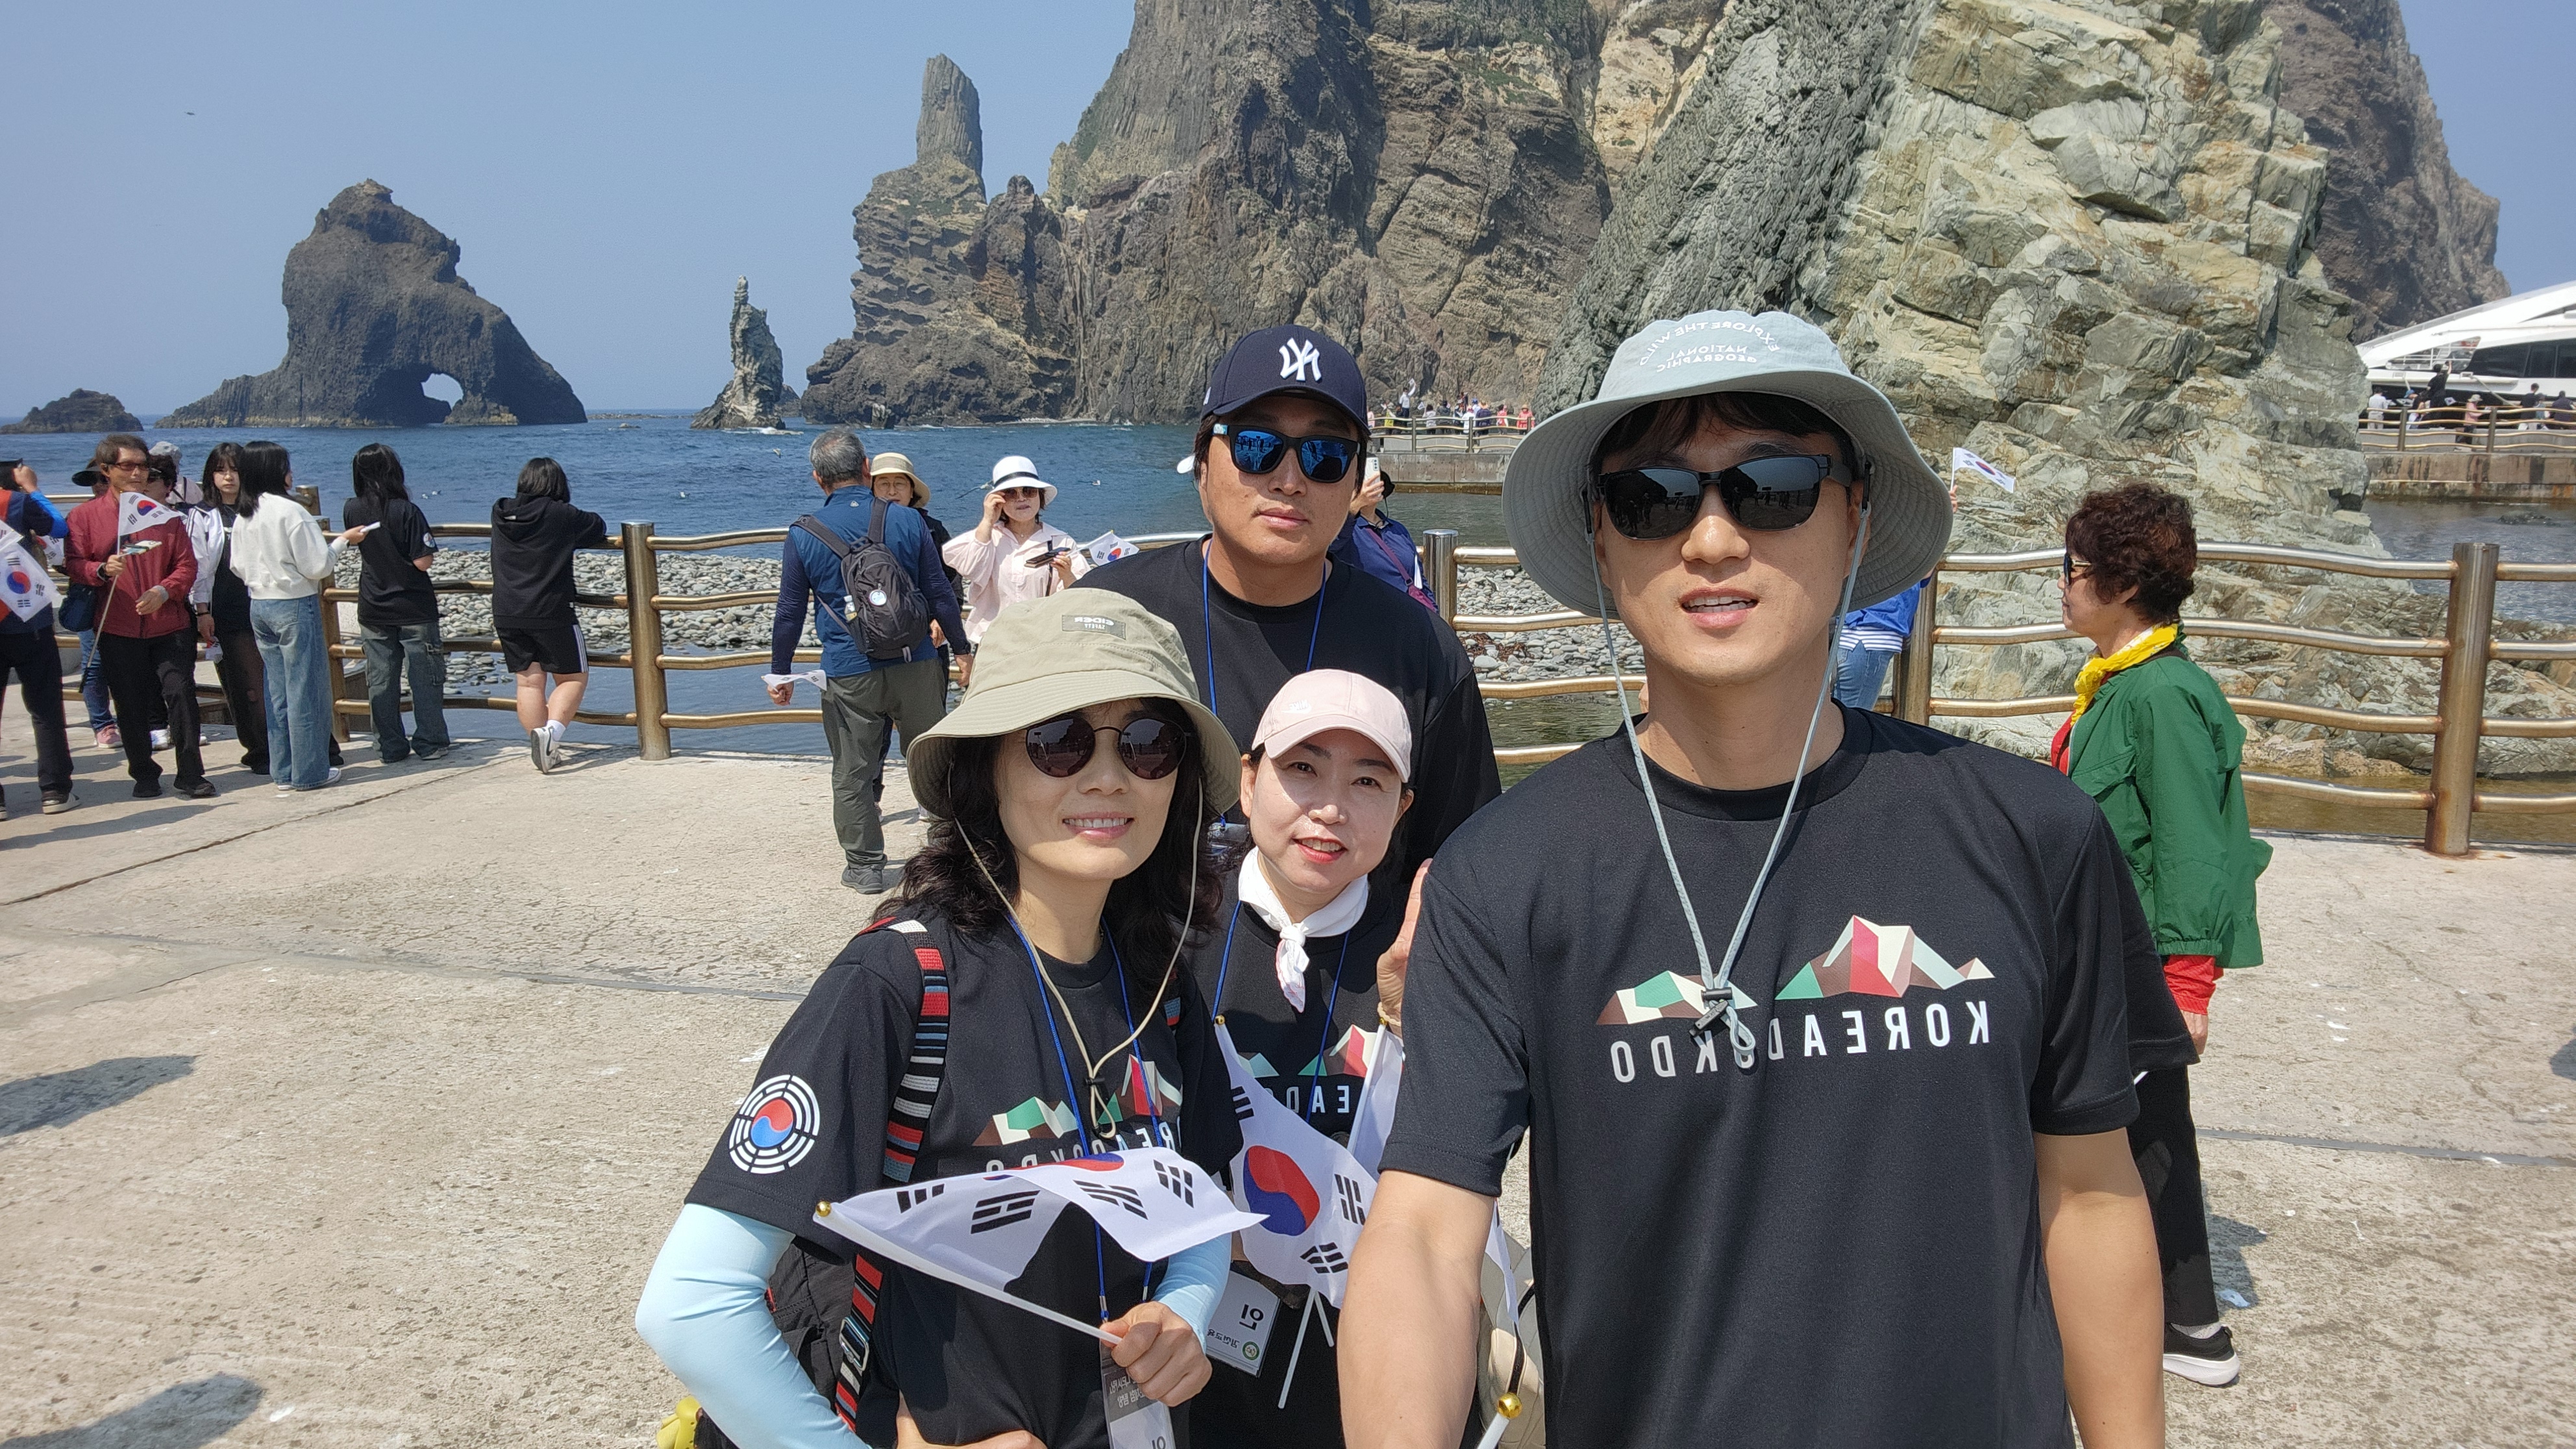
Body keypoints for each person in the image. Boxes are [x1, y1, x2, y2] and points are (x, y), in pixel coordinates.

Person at [1341, 310, 2168, 1449]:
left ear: (1854, 515)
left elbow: (2088, 1189)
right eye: (1652, 498)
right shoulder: (1502, 877)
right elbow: (1426, 1233)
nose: (1714, 538)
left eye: (1773, 487)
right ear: (1600, 538)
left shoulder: (2036, 835)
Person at [638, 589, 1244, 1449]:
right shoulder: (897, 982)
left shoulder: (1161, 985)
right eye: (1058, 739)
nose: (1108, 776)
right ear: (983, 765)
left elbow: (1200, 1201)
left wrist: (1184, 1307)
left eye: (1147, 743)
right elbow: (693, 1303)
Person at [1079, 324, 1498, 886]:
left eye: (1325, 456)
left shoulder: (1422, 652)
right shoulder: (1107, 615)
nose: (1289, 479)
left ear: (1355, 481)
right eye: (1256, 445)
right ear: (1202, 465)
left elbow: (1463, 867)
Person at [2051, 481, 2268, 1391]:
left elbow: (2193, 844)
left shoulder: (2161, 694)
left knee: (2135, 1136)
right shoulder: (2122, 684)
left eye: (2073, 569)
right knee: (2135, 1129)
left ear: (2122, 583)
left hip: (2133, 958)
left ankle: (2186, 1322)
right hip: (2106, 949)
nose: (2062, 584)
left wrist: (2187, 985)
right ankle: (2180, 1319)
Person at [1187, 669, 1418, 1447]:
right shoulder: (1168, 923)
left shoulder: (1428, 940)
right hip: (1189, 1332)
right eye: (1302, 769)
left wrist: (1412, 1024)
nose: (1330, 808)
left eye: (1367, 781)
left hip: (1371, 1336)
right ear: (1248, 782)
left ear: (1402, 807)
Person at [770, 428, 969, 893]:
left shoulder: (803, 533)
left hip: (849, 668)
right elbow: (939, 591)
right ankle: (946, 852)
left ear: (818, 478)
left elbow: (789, 611)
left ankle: (865, 867)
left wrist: (781, 672)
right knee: (932, 758)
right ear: (866, 468)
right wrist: (962, 650)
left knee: (853, 769)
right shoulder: (908, 520)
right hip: (917, 660)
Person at [65, 434, 214, 800]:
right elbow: (74, 564)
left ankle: (191, 773)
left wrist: (165, 590)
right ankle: (144, 772)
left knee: (181, 695)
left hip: (169, 622)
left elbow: (186, 565)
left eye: (142, 466)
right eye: (127, 466)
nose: (137, 473)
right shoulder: (84, 516)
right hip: (117, 624)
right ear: (106, 470)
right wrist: (100, 570)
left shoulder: (166, 516)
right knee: (129, 702)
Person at [229, 441, 346, 793]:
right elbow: (317, 566)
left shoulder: (245, 514)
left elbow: (237, 565)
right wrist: (341, 543)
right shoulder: (290, 511)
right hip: (293, 603)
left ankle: (283, 770)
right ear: (277, 472)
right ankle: (310, 772)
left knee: (277, 691)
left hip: (259, 604)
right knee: (306, 690)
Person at [491, 458, 606, 774]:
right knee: (573, 677)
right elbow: (597, 526)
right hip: (551, 609)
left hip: (507, 609)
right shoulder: (560, 514)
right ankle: (552, 735)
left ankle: (543, 750)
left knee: (528, 683)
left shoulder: (500, 510)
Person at [343, 443, 450, 762]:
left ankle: (389, 746)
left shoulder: (351, 509)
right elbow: (423, 562)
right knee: (425, 679)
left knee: (381, 680)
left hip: (373, 604)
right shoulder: (407, 511)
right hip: (414, 606)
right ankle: (430, 742)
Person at [942, 454, 1089, 650]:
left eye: (1029, 491)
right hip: (994, 643)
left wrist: (1067, 574)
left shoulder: (1060, 541)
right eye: (1011, 493)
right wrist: (987, 520)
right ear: (999, 500)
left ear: (1040, 496)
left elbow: (1081, 595)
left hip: (1042, 643)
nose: (1021, 498)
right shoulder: (989, 537)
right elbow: (968, 568)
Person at [0, 460, 75, 815]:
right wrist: (31, 488)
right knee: (45, 706)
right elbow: (58, 527)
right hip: (27, 618)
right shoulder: (14, 502)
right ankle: (54, 790)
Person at [192, 444, 270, 774]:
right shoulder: (202, 514)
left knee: (278, 679)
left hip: (267, 604)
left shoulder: (261, 508)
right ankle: (260, 749)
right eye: (221, 470)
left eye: (235, 470)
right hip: (227, 611)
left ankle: (297, 744)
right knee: (246, 685)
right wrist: (202, 611)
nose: (228, 477)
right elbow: (198, 567)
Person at [1329, 458, 1432, 610]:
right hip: (1369, 615)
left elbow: (1419, 578)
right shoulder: (1343, 529)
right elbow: (1330, 548)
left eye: (1376, 482)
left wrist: (1433, 613)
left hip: (1408, 615)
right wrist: (1354, 508)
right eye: (1362, 482)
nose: (1371, 487)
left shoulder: (1398, 529)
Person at [1832, 576, 1922, 708]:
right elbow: (1924, 572)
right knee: (1853, 715)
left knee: (1842, 710)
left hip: (1853, 628)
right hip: (1873, 633)